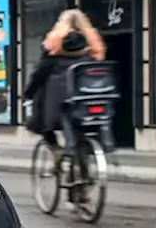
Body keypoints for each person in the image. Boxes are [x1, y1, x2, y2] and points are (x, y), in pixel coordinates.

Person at [22, 8, 106, 159]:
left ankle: (55, 147)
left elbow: (38, 74)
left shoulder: (54, 44)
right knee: (79, 126)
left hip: (58, 103)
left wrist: (28, 93)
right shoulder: (92, 44)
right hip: (86, 98)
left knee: (41, 102)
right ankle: (84, 165)